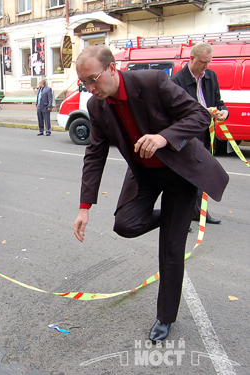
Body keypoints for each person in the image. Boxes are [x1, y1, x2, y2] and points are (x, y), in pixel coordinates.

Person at [73, 46, 228, 344]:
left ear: (112, 68)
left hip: (180, 171)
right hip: (145, 173)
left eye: (94, 80)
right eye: (85, 84)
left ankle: (165, 317)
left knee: (171, 250)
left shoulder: (153, 81)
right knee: (125, 224)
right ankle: (176, 221)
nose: (91, 89)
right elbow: (94, 154)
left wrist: (163, 137)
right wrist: (84, 207)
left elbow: (200, 116)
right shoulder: (97, 106)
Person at [171, 42, 228, 225]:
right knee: (184, 177)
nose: (206, 66)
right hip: (188, 135)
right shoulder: (177, 80)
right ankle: (181, 217)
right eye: (203, 62)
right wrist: (203, 113)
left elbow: (219, 102)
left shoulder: (211, 76)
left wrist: (223, 112)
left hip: (206, 133)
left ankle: (200, 212)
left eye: (209, 62)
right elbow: (175, 112)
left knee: (203, 174)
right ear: (192, 59)